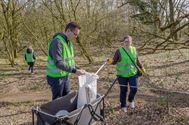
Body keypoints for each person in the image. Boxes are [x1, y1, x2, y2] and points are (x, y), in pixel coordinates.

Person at [46, 22, 85, 100]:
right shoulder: (57, 42)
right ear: (68, 31)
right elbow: (58, 62)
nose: (76, 37)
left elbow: (69, 61)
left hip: (65, 76)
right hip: (56, 78)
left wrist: (78, 68)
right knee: (58, 101)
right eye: (75, 34)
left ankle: (65, 112)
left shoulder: (68, 42)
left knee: (66, 99)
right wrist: (74, 71)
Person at [107, 35, 145, 112]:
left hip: (133, 73)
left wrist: (142, 67)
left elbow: (137, 60)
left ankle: (130, 101)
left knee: (134, 89)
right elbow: (114, 61)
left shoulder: (134, 49)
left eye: (129, 41)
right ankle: (123, 105)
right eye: (126, 41)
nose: (128, 43)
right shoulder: (119, 51)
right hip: (122, 75)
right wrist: (110, 61)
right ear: (123, 42)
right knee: (123, 90)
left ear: (131, 42)